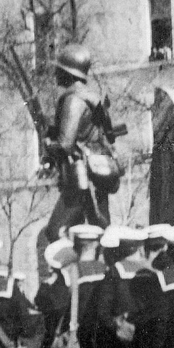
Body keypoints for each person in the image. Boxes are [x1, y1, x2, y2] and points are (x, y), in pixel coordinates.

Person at [42, 46, 122, 244]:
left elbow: (65, 144)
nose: (55, 74)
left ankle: (66, 274)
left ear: (68, 72)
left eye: (59, 70)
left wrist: (48, 144)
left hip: (80, 178)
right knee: (98, 233)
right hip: (98, 175)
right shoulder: (91, 97)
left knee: (56, 232)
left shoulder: (73, 99)